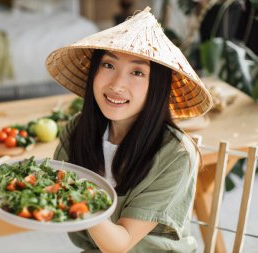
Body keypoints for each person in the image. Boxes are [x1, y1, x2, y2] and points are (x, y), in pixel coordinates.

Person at [45, 6, 213, 253]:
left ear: (156, 87)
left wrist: (77, 194)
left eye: (137, 72)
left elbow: (119, 244)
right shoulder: (77, 130)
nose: (117, 85)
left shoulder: (176, 154)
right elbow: (53, 200)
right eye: (108, 65)